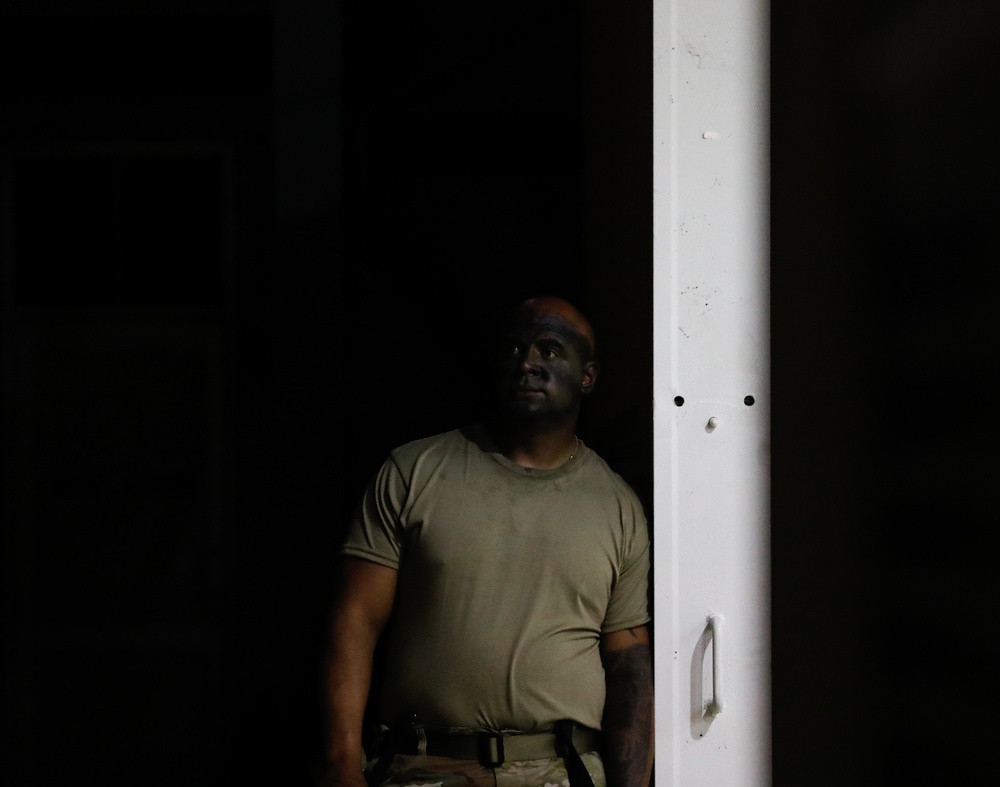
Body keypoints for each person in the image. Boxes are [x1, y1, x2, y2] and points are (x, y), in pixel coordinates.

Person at [321, 296, 653, 787]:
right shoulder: (415, 472)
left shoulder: (617, 506)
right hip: (424, 767)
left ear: (588, 377)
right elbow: (355, 621)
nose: (528, 363)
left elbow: (627, 659)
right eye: (515, 349)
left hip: (562, 771)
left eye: (551, 350)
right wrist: (340, 764)